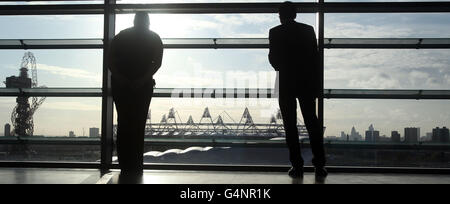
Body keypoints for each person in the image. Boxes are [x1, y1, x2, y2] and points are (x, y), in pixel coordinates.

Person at [268, 1, 327, 178]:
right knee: (312, 124)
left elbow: (273, 58)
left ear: (280, 15)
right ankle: (319, 165)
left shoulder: (275, 32)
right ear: (295, 14)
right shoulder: (308, 30)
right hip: (306, 82)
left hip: (286, 82)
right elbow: (316, 59)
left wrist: (284, 68)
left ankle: (297, 166)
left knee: (290, 126)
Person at [108, 11, 163, 181]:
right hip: (143, 86)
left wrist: (121, 79)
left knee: (124, 123)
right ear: (148, 22)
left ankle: (125, 165)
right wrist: (142, 80)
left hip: (121, 86)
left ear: (134, 21)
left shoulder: (121, 36)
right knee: (138, 125)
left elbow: (110, 61)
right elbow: (157, 63)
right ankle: (136, 164)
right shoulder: (154, 38)